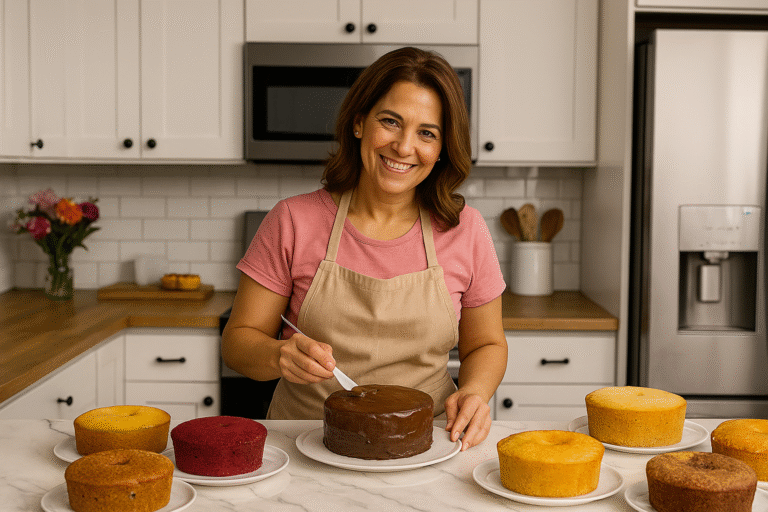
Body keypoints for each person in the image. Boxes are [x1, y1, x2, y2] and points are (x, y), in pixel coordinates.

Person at [222, 46, 507, 451]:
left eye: (427, 133)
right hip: (306, 443)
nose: (404, 147)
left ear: (443, 148)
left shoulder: (467, 230)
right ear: (359, 123)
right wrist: (278, 355)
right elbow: (238, 342)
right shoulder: (293, 220)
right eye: (390, 122)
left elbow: (486, 344)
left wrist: (475, 391)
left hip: (427, 445)